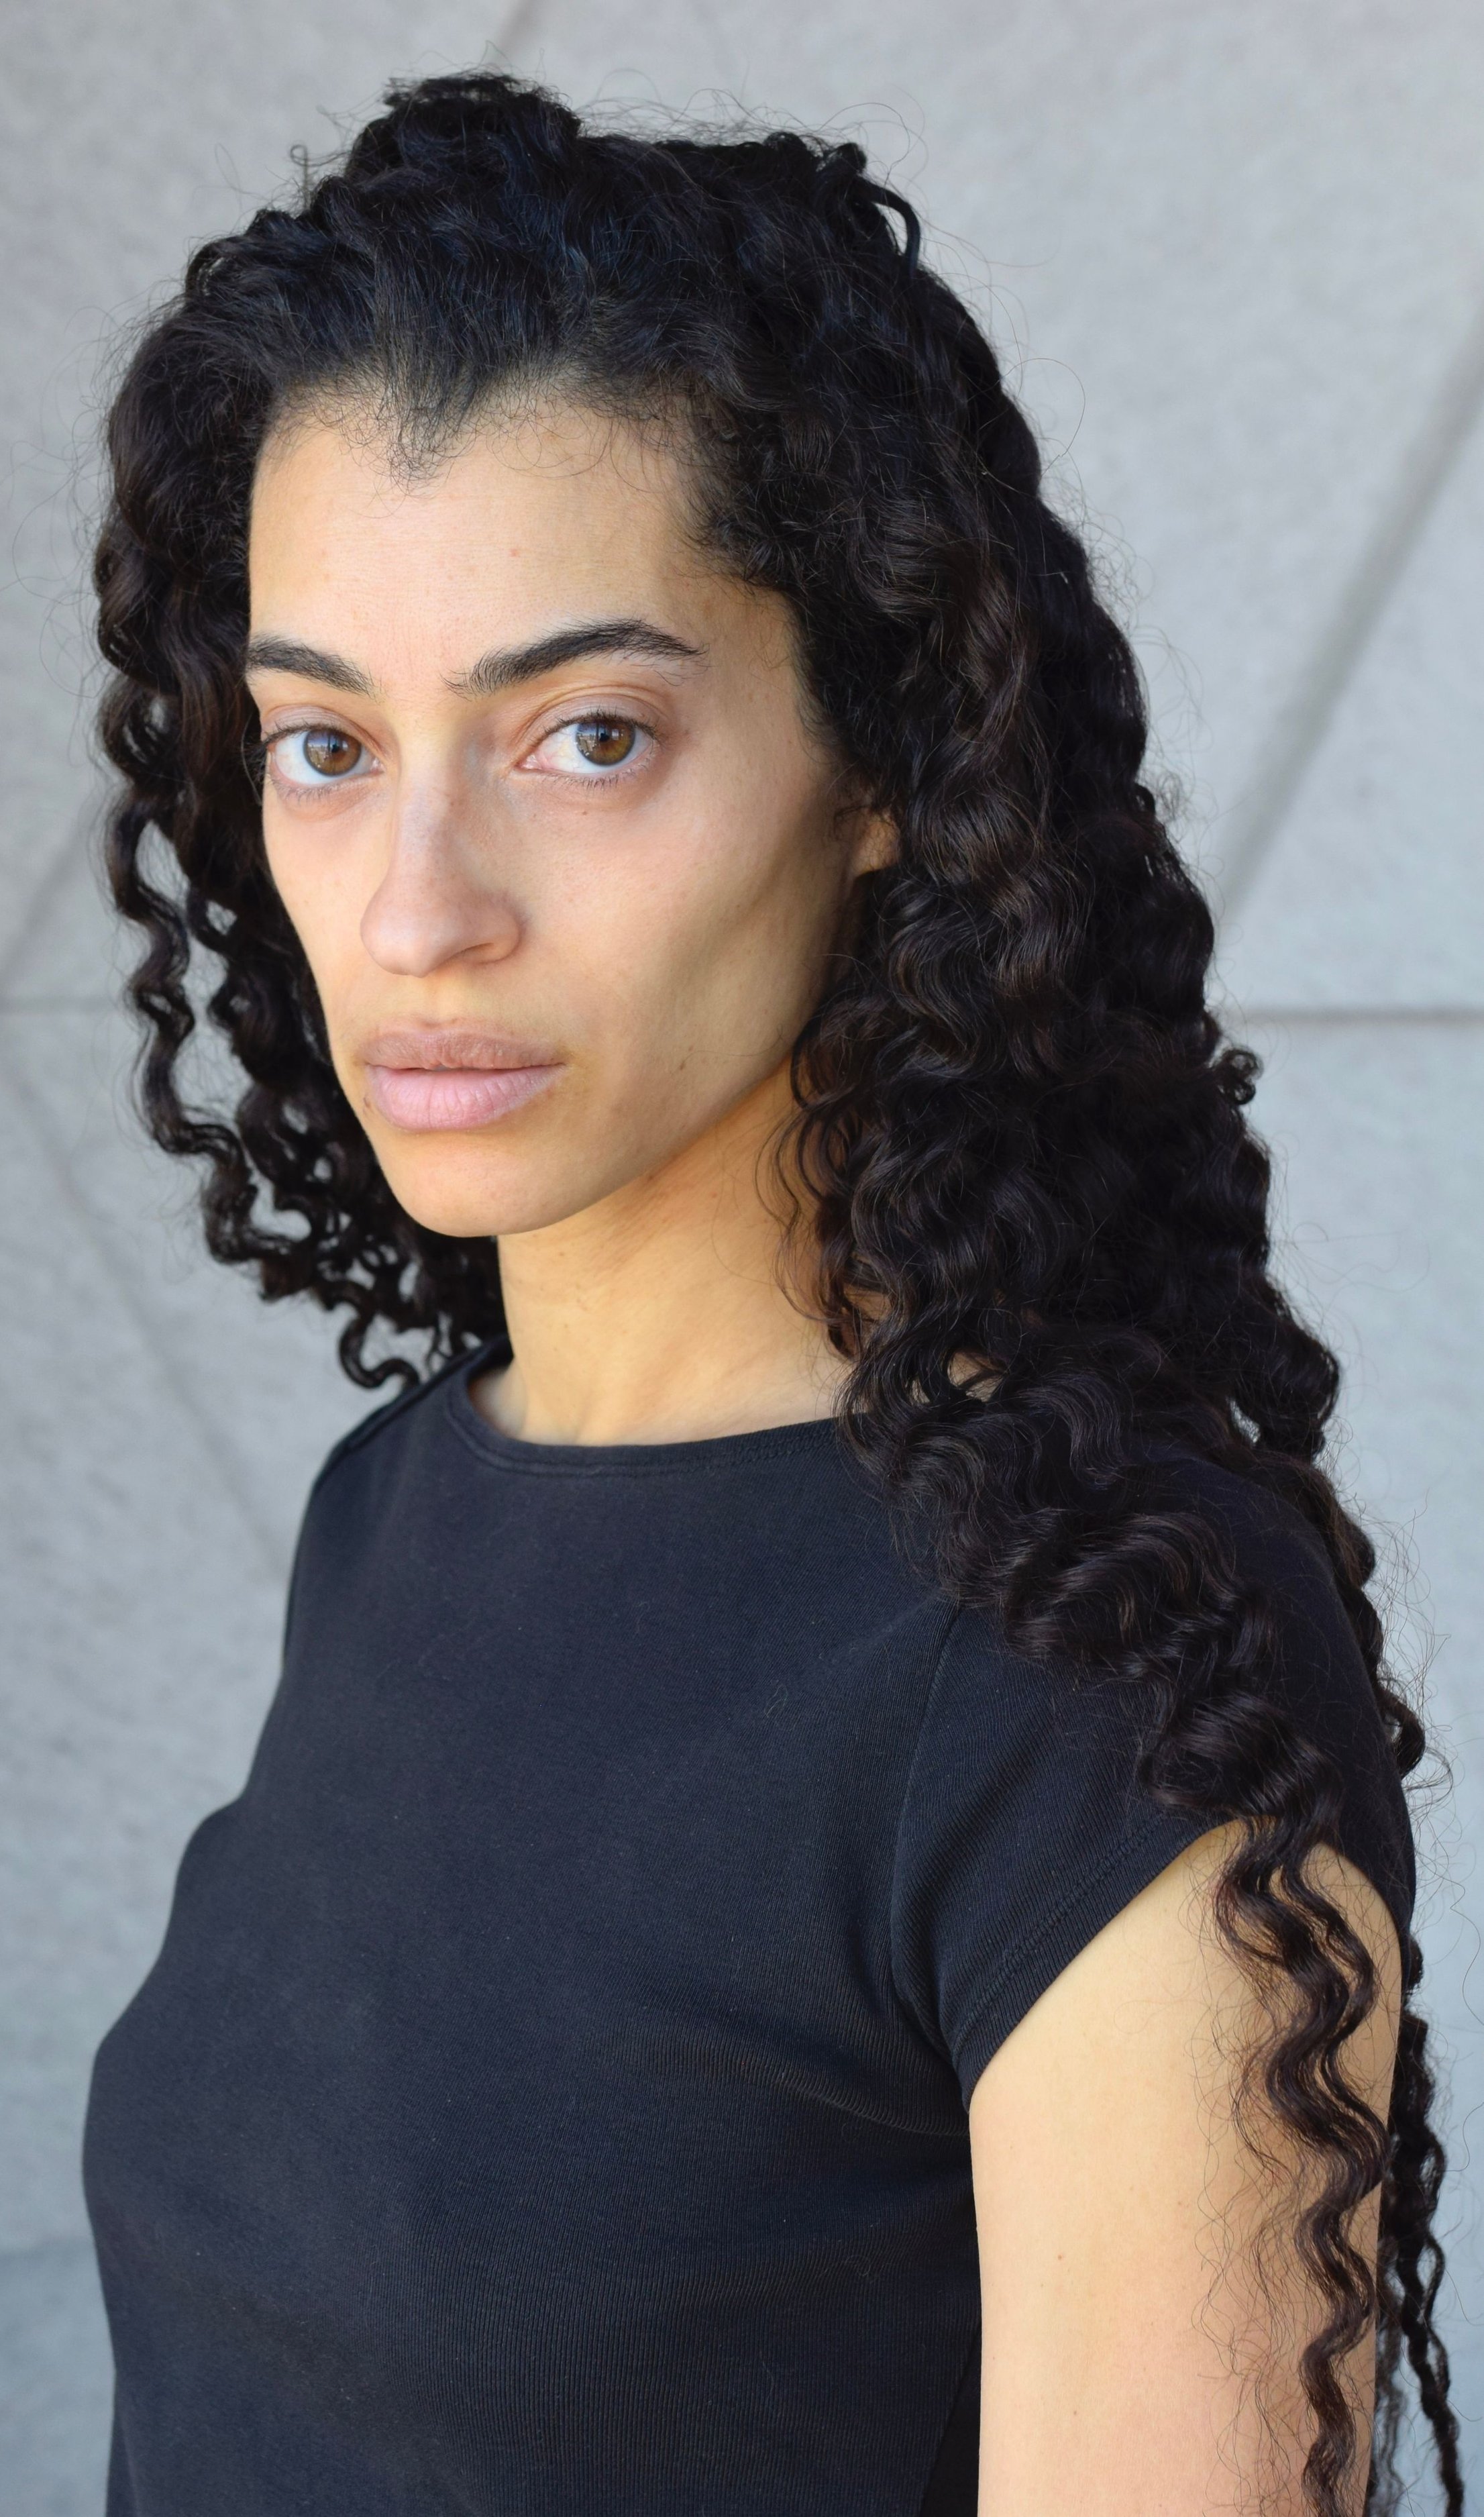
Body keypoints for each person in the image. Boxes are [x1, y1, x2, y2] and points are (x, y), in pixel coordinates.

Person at [80, 71, 1459, 2517]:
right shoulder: (395, 1514)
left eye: (586, 736)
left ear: (881, 759)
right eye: (323, 745)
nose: (416, 910)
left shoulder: (1081, 1665)